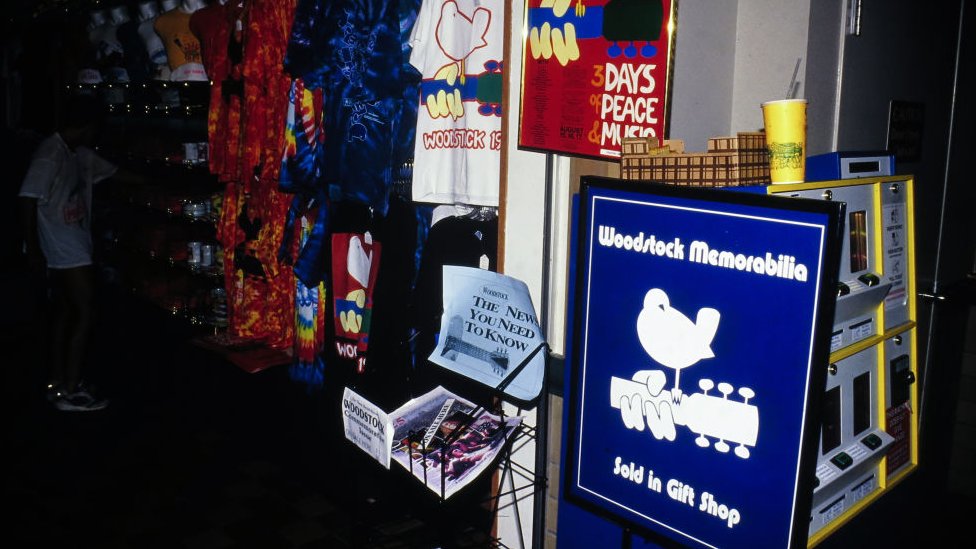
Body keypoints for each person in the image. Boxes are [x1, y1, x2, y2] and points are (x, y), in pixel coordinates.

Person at [18, 93, 140, 412]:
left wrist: (163, 182)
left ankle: (60, 383)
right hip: (63, 246)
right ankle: (70, 389)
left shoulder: (77, 154)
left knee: (67, 313)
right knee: (85, 311)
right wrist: (33, 248)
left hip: (70, 243)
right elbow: (27, 198)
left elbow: (114, 173)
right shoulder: (50, 154)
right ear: (87, 126)